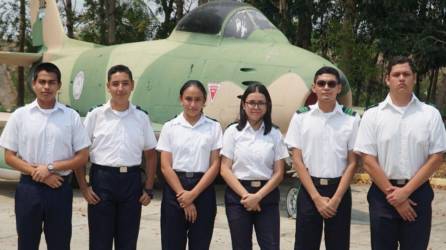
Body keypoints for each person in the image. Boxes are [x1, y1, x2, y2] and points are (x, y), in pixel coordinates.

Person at [354, 56, 446, 250]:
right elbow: (368, 160)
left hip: (418, 194)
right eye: (396, 74)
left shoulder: (430, 114)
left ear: (414, 78)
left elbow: (436, 157)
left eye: (406, 74)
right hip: (382, 195)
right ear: (387, 79)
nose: (401, 78)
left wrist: (405, 192)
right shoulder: (373, 115)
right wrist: (394, 196)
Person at [0, 62, 90, 250]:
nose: (46, 87)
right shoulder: (20, 116)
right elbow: (9, 156)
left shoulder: (71, 116)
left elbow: (82, 156)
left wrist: (50, 168)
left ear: (59, 86)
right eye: (42, 82)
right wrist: (38, 173)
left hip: (60, 189)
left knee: (59, 243)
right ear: (34, 84)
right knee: (26, 243)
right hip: (28, 190)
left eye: (51, 82)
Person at [74, 65, 157, 250]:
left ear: (132, 86)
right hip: (102, 180)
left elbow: (151, 155)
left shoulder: (141, 117)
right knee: (99, 241)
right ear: (108, 86)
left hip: (131, 182)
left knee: (127, 242)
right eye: (115, 84)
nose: (120, 88)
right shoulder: (95, 115)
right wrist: (84, 187)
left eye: (125, 83)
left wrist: (149, 188)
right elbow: (80, 153)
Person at [284, 66, 359, 250]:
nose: (326, 87)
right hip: (310, 190)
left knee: (338, 245)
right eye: (321, 83)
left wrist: (336, 199)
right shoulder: (301, 117)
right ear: (314, 87)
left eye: (331, 83)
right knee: (305, 245)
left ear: (338, 88)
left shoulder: (351, 119)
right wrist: (316, 198)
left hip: (339, 191)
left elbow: (353, 162)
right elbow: (297, 160)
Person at [220, 82, 288, 250]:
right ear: (244, 105)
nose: (256, 107)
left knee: (271, 246)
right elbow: (225, 169)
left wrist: (257, 197)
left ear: (267, 106)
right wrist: (246, 196)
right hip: (238, 196)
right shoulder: (233, 132)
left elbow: (279, 172)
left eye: (261, 103)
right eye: (251, 102)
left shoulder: (274, 133)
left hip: (267, 195)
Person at [156, 80, 222, 250]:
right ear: (181, 99)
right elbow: (165, 165)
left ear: (204, 101)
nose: (193, 104)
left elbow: (215, 165)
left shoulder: (214, 127)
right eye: (188, 99)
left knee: (200, 244)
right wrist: (183, 197)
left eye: (198, 99)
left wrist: (192, 195)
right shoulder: (170, 127)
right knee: (172, 244)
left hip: (203, 189)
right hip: (175, 189)